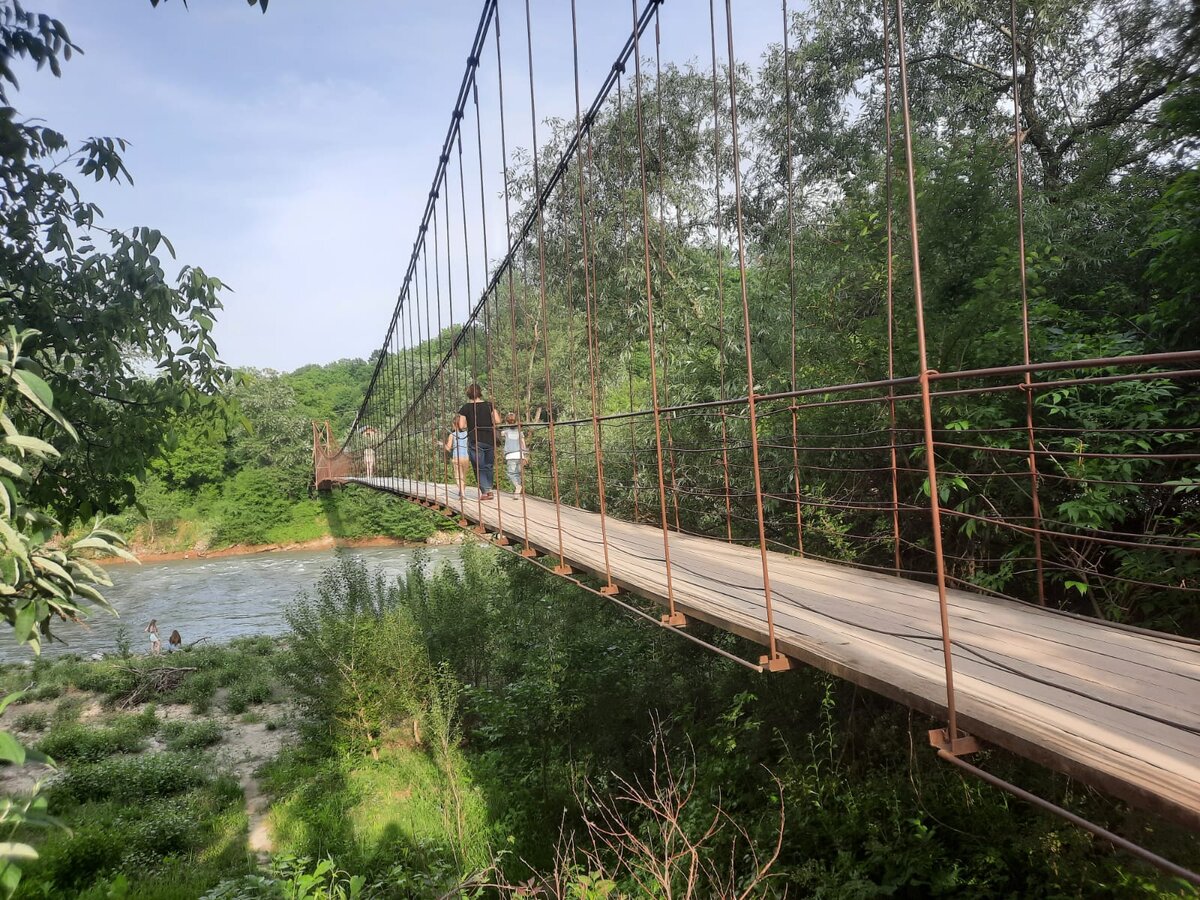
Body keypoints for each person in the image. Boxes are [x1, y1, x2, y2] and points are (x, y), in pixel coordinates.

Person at [456, 383, 500, 500]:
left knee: (478, 466)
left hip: (475, 440)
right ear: (480, 392)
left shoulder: (465, 408)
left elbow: (461, 425)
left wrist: (469, 425)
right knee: (488, 465)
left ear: (468, 394)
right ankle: (489, 490)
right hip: (489, 439)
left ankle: (485, 492)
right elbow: (497, 420)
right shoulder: (489, 405)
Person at [499, 412, 528, 494]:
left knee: (511, 473)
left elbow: (500, 434)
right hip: (519, 454)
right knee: (518, 473)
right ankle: (518, 491)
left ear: (507, 421)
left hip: (510, 455)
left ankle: (517, 486)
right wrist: (525, 454)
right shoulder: (520, 431)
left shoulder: (505, 431)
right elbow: (523, 443)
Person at [444, 422, 471, 499]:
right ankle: (462, 492)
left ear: (455, 425)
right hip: (466, 457)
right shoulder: (467, 434)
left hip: (457, 457)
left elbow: (448, 448)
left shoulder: (452, 435)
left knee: (458, 476)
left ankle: (462, 494)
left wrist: (442, 445)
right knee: (464, 476)